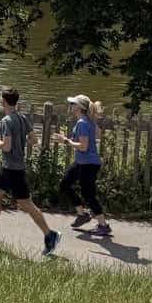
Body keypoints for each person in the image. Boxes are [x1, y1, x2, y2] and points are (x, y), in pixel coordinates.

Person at [0, 88, 60, 255]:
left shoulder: (6, 121)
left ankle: (50, 234)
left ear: (3, 101)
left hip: (10, 168)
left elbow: (6, 147)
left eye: (1, 99)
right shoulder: (22, 118)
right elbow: (34, 140)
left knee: (25, 204)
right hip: (16, 167)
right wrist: (21, 141)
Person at [54, 94, 110, 237]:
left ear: (79, 107)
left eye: (73, 104)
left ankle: (103, 225)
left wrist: (66, 141)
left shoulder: (83, 123)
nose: (70, 106)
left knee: (88, 194)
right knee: (65, 185)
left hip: (88, 163)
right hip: (82, 162)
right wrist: (70, 139)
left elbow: (83, 147)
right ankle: (82, 215)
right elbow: (97, 135)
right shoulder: (88, 121)